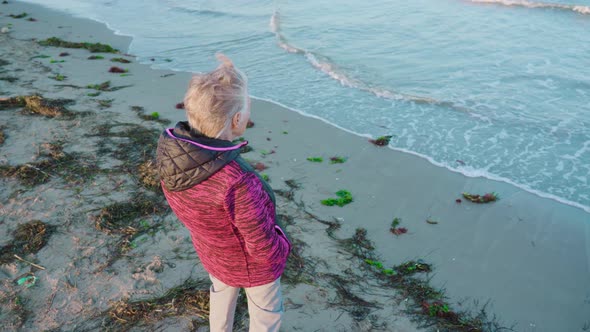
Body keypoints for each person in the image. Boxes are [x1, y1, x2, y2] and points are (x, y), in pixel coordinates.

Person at [156, 54, 291, 332]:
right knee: (266, 313)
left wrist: (229, 71)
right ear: (238, 119)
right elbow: (261, 245)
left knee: (220, 294)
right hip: (253, 268)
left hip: (213, 253)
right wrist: (283, 245)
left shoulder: (172, 158)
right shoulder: (238, 181)